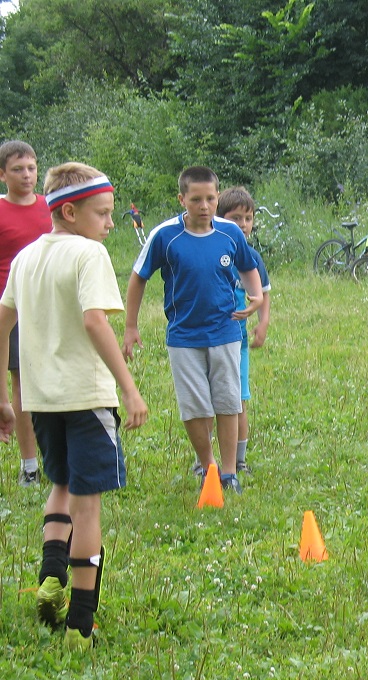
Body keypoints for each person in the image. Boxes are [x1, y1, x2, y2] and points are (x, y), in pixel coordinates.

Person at [0, 163, 149, 652]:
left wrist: (4, 397)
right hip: (87, 398)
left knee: (60, 485)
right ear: (70, 211)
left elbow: (2, 327)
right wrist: (128, 387)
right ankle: (81, 624)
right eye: (103, 213)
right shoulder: (89, 255)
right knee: (89, 508)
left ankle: (50, 573)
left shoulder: (25, 259)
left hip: (41, 400)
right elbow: (94, 322)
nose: (109, 224)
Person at [122, 166, 263, 494]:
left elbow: (248, 266)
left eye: (210, 198)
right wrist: (130, 326)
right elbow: (138, 277)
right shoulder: (165, 236)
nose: (204, 206)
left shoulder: (230, 233)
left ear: (217, 197)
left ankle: (229, 473)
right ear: (181, 199)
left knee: (228, 402)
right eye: (195, 199)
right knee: (194, 406)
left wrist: (255, 299)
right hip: (184, 336)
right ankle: (208, 466)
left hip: (226, 331)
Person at [0, 140, 53, 485]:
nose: (27, 175)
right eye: (18, 169)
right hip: (13, 305)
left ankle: (58, 456)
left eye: (32, 168)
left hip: (51, 303)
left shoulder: (51, 207)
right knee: (23, 385)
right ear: (3, 174)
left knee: (53, 380)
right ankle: (30, 465)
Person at [215, 186, 271, 475]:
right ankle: (208, 460)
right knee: (211, 402)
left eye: (248, 218)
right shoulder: (212, 252)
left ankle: (239, 460)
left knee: (238, 400)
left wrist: (262, 323)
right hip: (210, 338)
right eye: (236, 218)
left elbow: (262, 292)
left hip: (238, 341)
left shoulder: (251, 258)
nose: (243, 225)